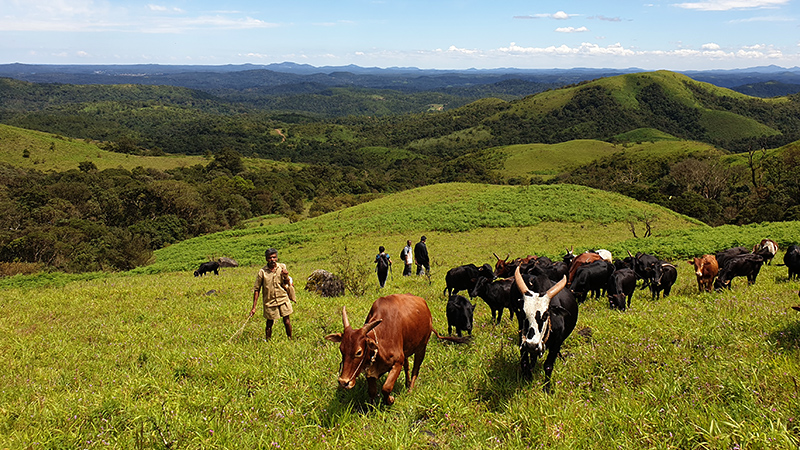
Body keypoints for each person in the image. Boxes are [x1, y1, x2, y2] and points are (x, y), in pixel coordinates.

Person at [250, 248, 295, 340]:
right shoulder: (262, 272)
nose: (272, 260)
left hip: (282, 298)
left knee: (287, 321)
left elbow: (287, 282)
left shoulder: (282, 267)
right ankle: (268, 340)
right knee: (270, 322)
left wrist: (286, 275)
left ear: (277, 258)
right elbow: (257, 289)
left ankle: (290, 339)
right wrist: (253, 307)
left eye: (274, 257)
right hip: (269, 301)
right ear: (266, 259)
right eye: (270, 258)